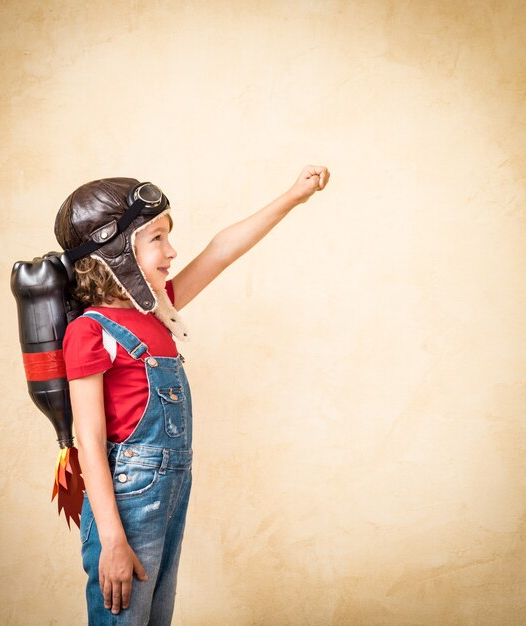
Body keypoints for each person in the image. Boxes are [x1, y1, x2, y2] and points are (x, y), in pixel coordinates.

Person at [56, 165, 330, 625]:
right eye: (157, 238)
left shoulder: (157, 310)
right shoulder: (89, 332)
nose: (172, 251)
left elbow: (220, 252)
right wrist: (112, 541)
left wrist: (291, 197)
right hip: (125, 503)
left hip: (168, 493)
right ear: (114, 252)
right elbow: (91, 444)